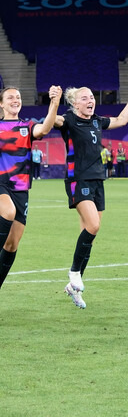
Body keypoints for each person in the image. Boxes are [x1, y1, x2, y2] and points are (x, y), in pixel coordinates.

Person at [0, 85, 60, 316]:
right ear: (1, 104)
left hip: (21, 188)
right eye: (10, 97)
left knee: (12, 244)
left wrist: (54, 102)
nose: (15, 100)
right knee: (8, 212)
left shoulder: (27, 126)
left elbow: (45, 128)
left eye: (18, 97)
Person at [53, 87, 128, 309]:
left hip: (98, 182)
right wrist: (54, 102)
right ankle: (75, 271)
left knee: (89, 237)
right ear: (74, 103)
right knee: (93, 225)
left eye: (92, 97)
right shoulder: (68, 120)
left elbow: (122, 120)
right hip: (79, 180)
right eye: (84, 98)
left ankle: (73, 287)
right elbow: (52, 121)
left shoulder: (97, 121)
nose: (90, 100)